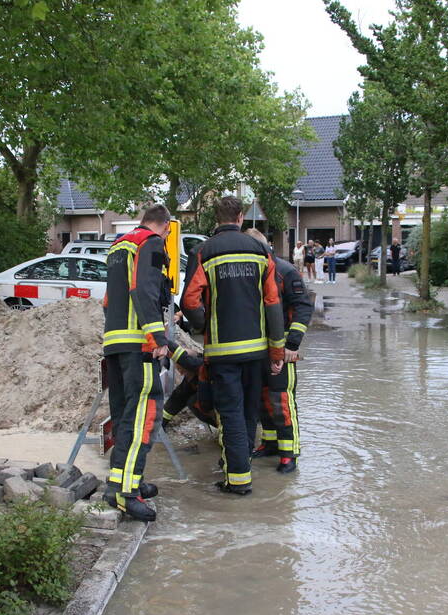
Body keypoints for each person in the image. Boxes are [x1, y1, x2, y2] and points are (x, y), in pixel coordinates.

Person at [182, 196, 285, 495]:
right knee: (250, 411)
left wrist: (202, 323)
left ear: (217, 218)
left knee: (230, 414)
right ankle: (242, 472)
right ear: (241, 217)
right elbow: (273, 303)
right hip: (257, 352)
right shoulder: (261, 250)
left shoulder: (203, 251)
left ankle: (237, 481)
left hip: (223, 353)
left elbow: (189, 301)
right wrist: (276, 352)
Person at [101, 203, 172, 521]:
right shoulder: (151, 242)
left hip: (114, 343)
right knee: (144, 416)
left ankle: (119, 483)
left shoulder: (118, 245)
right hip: (138, 344)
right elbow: (144, 289)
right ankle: (127, 494)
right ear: (165, 226)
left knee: (124, 417)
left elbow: (107, 300)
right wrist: (157, 337)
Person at [245, 229, 312, 474]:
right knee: (263, 398)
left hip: (282, 348)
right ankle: (270, 443)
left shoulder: (285, 271)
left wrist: (292, 344)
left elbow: (303, 307)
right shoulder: (251, 270)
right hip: (257, 348)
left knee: (281, 400)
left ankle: (289, 452)